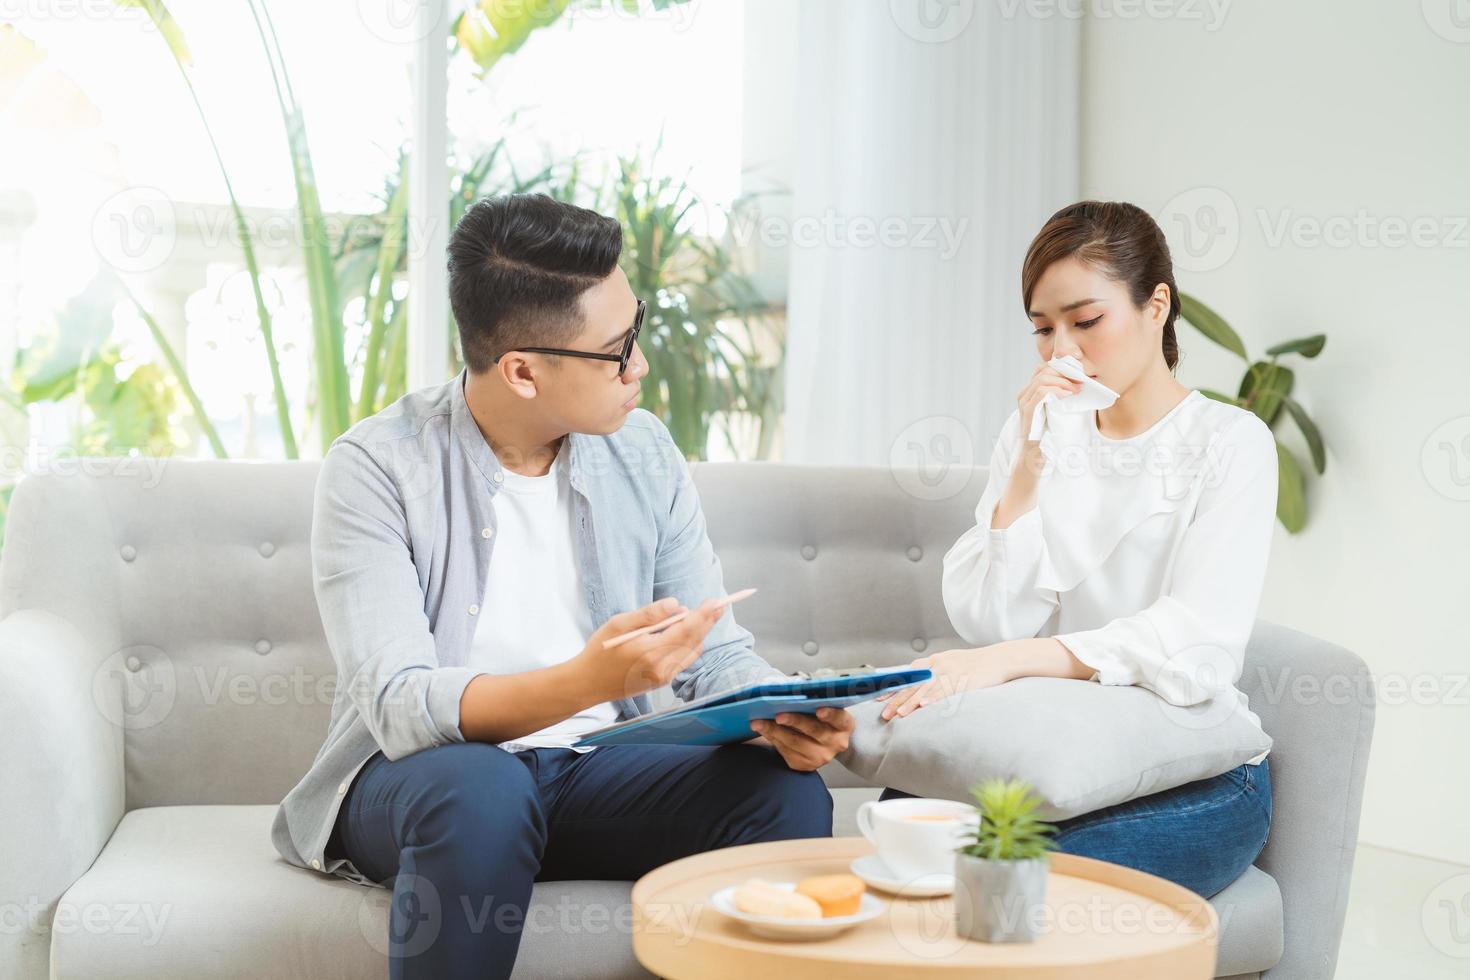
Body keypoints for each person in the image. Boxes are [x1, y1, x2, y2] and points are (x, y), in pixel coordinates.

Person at [271, 193, 854, 978]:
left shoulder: (641, 451)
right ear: (521, 370)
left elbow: (715, 656)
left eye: (636, 328)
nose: (640, 364)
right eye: (617, 349)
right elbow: (401, 706)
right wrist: (587, 681)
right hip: (428, 786)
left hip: (593, 772)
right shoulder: (380, 466)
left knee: (785, 796)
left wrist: (781, 710)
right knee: (483, 791)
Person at [876, 200, 1274, 899]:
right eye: (1042, 329)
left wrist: (1008, 663)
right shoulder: (1036, 432)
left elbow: (1197, 642)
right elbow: (990, 620)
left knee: (1007, 875)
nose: (1063, 350)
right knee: (904, 827)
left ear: (1157, 306)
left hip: (1195, 768)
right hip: (1052, 748)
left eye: (1086, 321)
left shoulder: (1230, 443)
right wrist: (1029, 467)